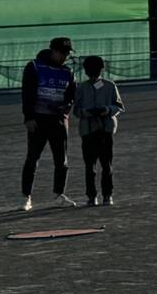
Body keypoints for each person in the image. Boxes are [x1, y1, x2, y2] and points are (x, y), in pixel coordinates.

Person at [20, 36, 77, 211]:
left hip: (58, 121)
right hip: (38, 120)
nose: (64, 56)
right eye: (61, 53)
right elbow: (27, 93)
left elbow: (71, 95)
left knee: (61, 160)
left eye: (67, 53)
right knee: (32, 158)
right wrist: (28, 117)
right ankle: (26, 197)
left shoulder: (68, 72)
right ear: (53, 51)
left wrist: (65, 108)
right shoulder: (34, 67)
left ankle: (59, 194)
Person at [73, 55, 123, 206]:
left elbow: (118, 107)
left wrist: (106, 110)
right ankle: (92, 195)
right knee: (90, 166)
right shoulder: (81, 88)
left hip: (105, 130)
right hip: (88, 131)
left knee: (106, 164)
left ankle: (107, 194)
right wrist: (86, 113)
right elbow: (76, 110)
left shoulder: (109, 86)